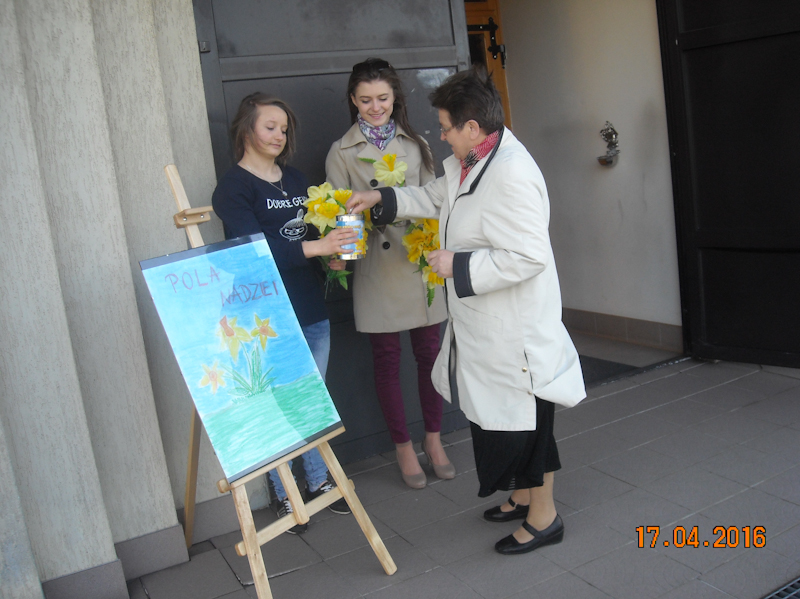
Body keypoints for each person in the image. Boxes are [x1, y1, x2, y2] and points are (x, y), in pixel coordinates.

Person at [346, 68, 586, 555]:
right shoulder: (470, 160)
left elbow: (529, 257)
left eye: (445, 127)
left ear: (472, 127)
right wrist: (380, 198)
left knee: (529, 424)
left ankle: (545, 518)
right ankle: (522, 496)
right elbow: (433, 196)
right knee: (504, 421)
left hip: (517, 331)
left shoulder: (512, 173)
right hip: (488, 326)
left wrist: (456, 264)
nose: (441, 135)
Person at [212, 92, 356, 533]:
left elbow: (310, 233)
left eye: (284, 128)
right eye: (270, 127)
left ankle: (316, 481)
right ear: (247, 130)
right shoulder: (232, 188)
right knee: (276, 407)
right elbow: (253, 253)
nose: (279, 135)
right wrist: (317, 246)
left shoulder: (294, 179)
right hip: (263, 317)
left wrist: (334, 255)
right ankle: (284, 491)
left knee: (311, 401)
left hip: (310, 308)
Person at [325, 58, 454, 489]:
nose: (375, 107)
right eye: (365, 100)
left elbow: (436, 201)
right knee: (386, 360)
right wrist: (342, 253)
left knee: (429, 354)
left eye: (382, 98)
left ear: (395, 96)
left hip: (417, 260)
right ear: (353, 100)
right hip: (377, 264)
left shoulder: (416, 144)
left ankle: (433, 438)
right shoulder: (341, 151)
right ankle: (402, 446)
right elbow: (340, 212)